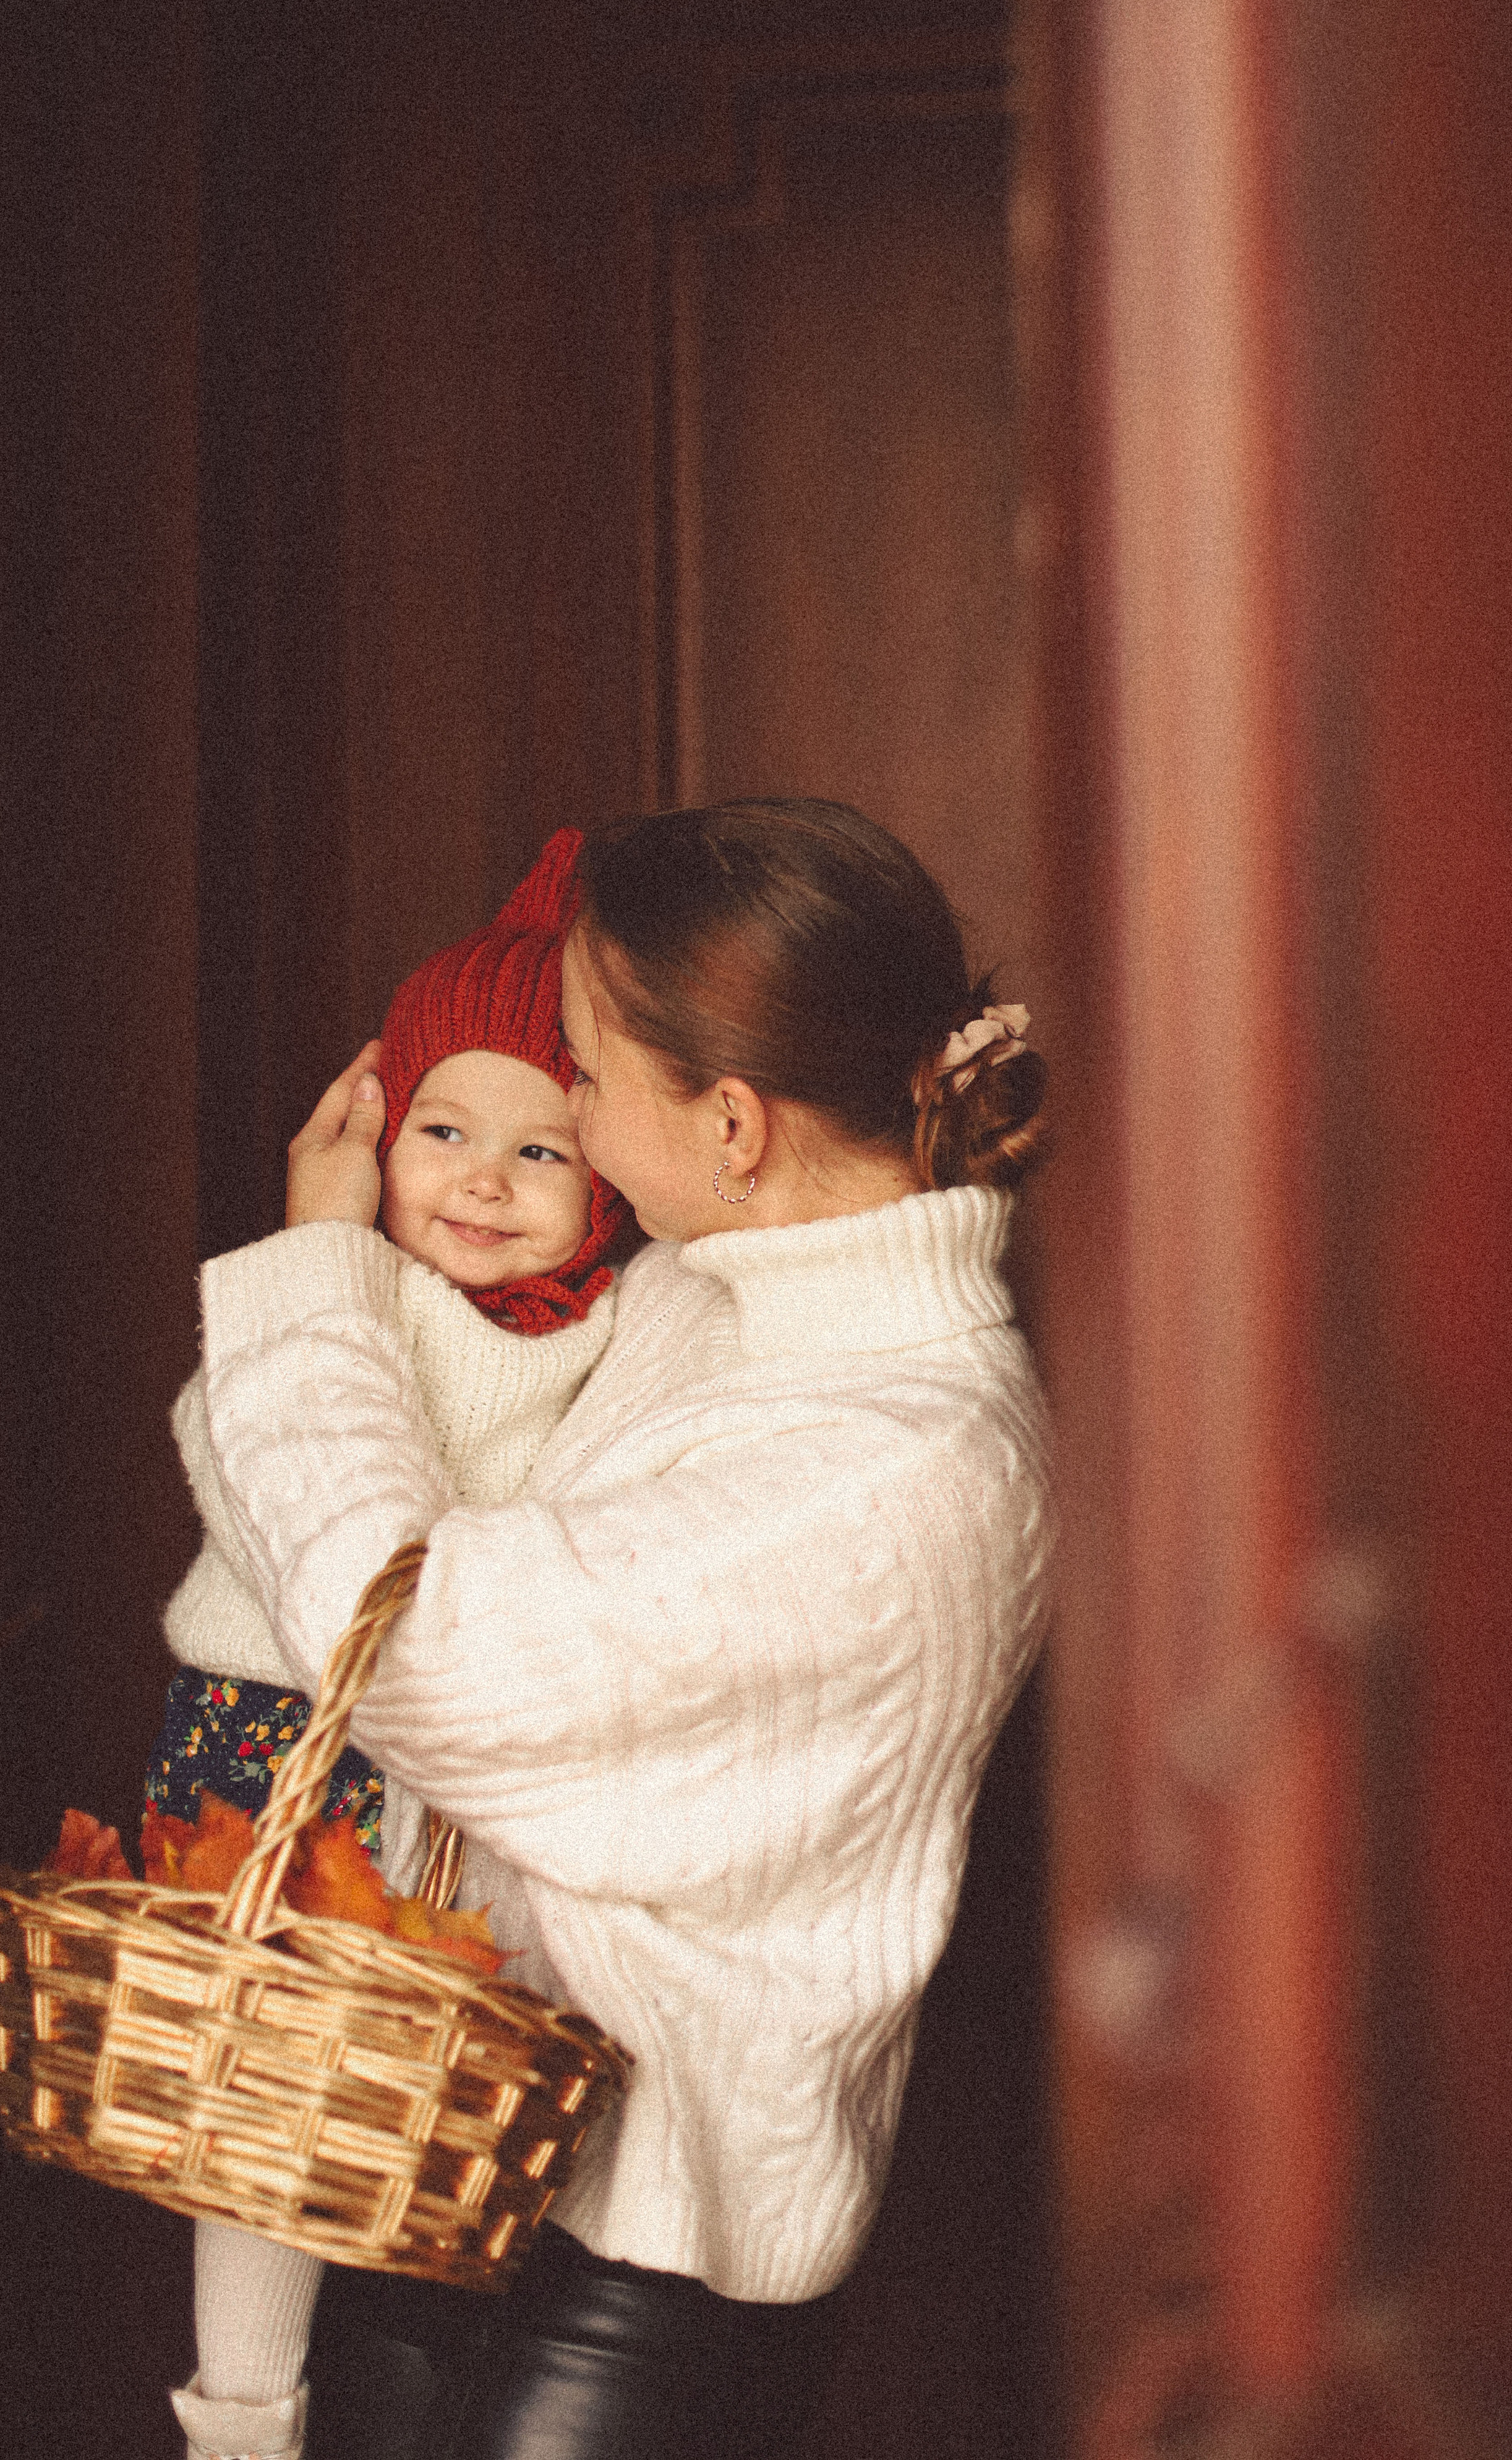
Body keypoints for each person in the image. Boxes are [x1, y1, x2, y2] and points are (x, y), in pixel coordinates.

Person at [195, 799, 1056, 2460]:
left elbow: (403, 1647)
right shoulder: (705, 1292)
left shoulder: (900, 1460)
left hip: (633, 2281)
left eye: (582, 1071)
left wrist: (316, 1277)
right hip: (462, 2161)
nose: (561, 1112)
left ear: (728, 1122)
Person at [156, 830, 629, 2460]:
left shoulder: (618, 1344)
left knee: (434, 2054)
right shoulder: (332, 1283)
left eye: (541, 1152)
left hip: (453, 1764)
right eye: (441, 1130)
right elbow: (237, 1449)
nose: (481, 1183)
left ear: (610, 1188)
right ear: (376, 1131)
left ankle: (423, 2316)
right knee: (256, 2082)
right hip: (272, 1732)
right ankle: (241, 2408)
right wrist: (324, 1245)